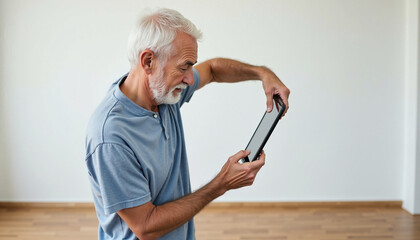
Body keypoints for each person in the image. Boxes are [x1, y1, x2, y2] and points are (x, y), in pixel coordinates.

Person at [85, 8, 290, 240]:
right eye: (184, 67)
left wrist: (263, 73)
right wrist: (221, 183)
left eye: (191, 66)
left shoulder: (162, 91)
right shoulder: (110, 137)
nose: (191, 79)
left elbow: (212, 69)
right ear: (148, 61)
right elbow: (145, 226)